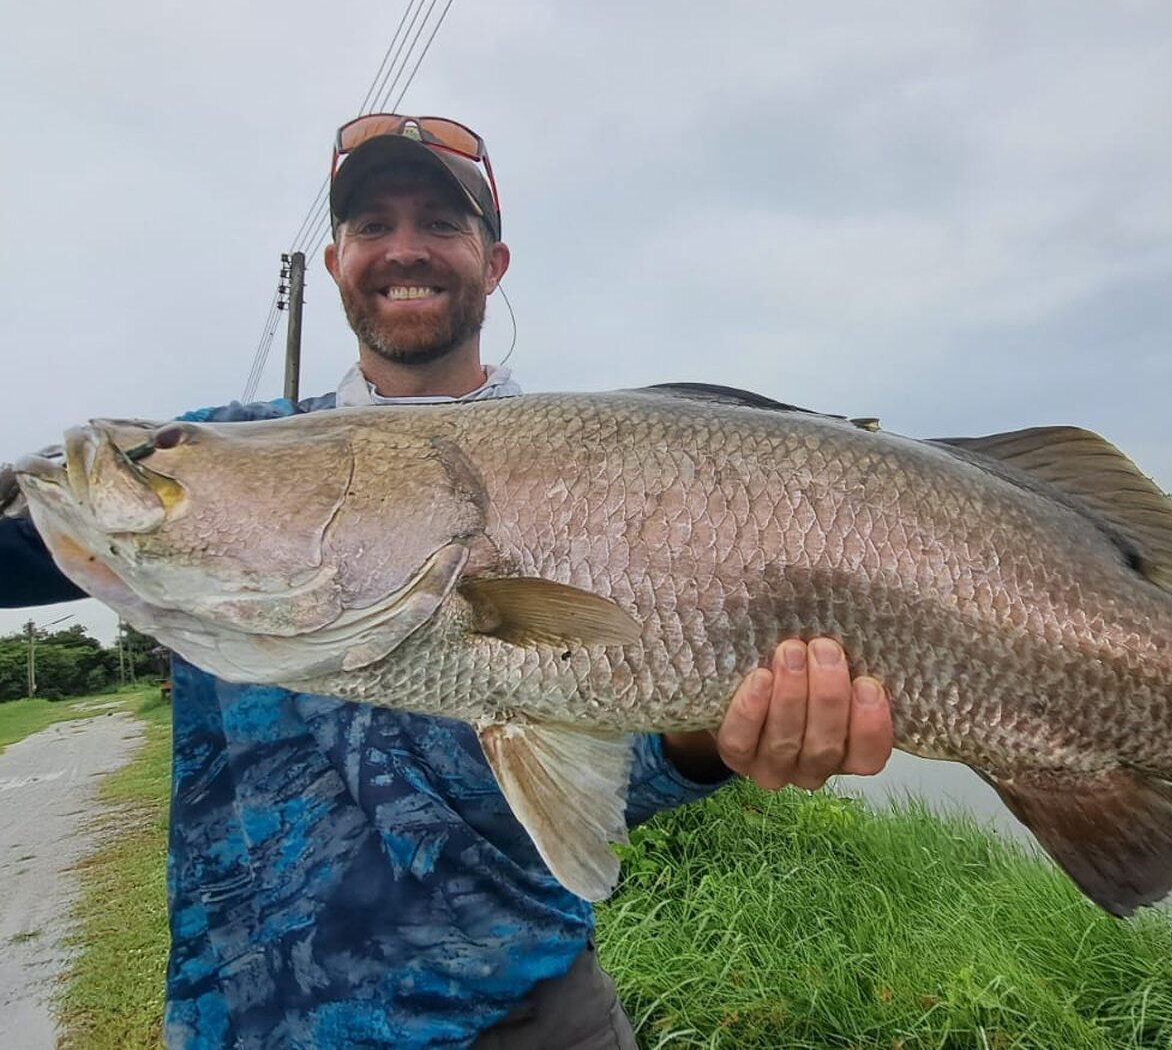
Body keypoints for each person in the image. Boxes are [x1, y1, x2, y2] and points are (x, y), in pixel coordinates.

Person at [0, 113, 894, 1049]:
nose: (404, 249)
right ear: (336, 262)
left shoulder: (600, 473)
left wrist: (715, 739)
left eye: (440, 223)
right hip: (254, 1022)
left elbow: (612, 771)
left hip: (531, 1014)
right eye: (371, 225)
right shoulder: (229, 439)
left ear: (493, 263)